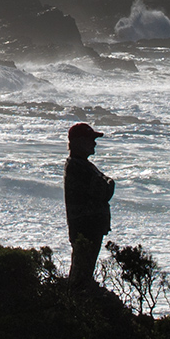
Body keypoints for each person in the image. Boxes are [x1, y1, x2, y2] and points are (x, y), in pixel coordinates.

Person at [64, 122, 114, 286]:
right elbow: (104, 190)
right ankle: (76, 302)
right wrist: (109, 182)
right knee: (81, 274)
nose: (94, 143)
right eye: (90, 139)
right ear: (78, 142)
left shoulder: (84, 165)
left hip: (90, 227)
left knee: (84, 271)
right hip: (85, 227)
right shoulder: (77, 166)